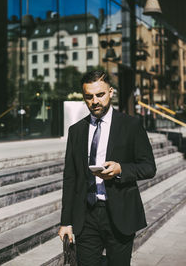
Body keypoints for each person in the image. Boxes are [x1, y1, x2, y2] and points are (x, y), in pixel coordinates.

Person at [58, 70, 156, 266]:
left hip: (120, 214)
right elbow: (70, 178)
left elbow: (148, 167)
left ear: (111, 92)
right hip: (86, 216)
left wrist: (121, 169)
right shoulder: (76, 131)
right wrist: (65, 222)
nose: (95, 101)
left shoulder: (131, 125)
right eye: (89, 96)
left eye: (100, 94)